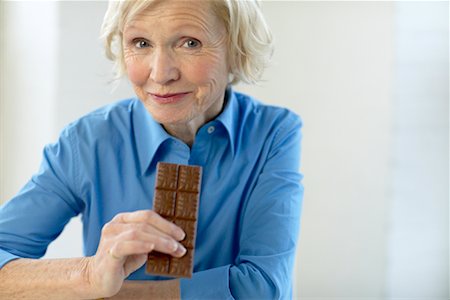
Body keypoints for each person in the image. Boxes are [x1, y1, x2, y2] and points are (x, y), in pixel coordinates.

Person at [0, 0, 304, 299]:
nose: (160, 74)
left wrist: (111, 295)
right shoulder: (87, 141)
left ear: (237, 51)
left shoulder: (273, 133)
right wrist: (89, 276)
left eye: (189, 43)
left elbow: (262, 288)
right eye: (141, 42)